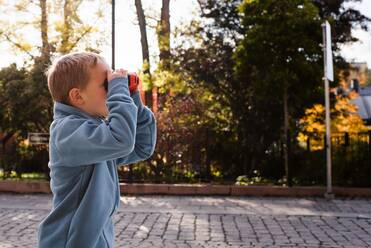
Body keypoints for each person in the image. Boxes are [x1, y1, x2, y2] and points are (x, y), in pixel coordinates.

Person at [37, 52, 157, 247]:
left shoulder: (96, 133)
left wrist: (132, 97)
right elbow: (122, 139)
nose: (113, 90)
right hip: (69, 241)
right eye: (106, 85)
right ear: (77, 96)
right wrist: (119, 92)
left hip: (94, 240)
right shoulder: (67, 132)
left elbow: (141, 147)